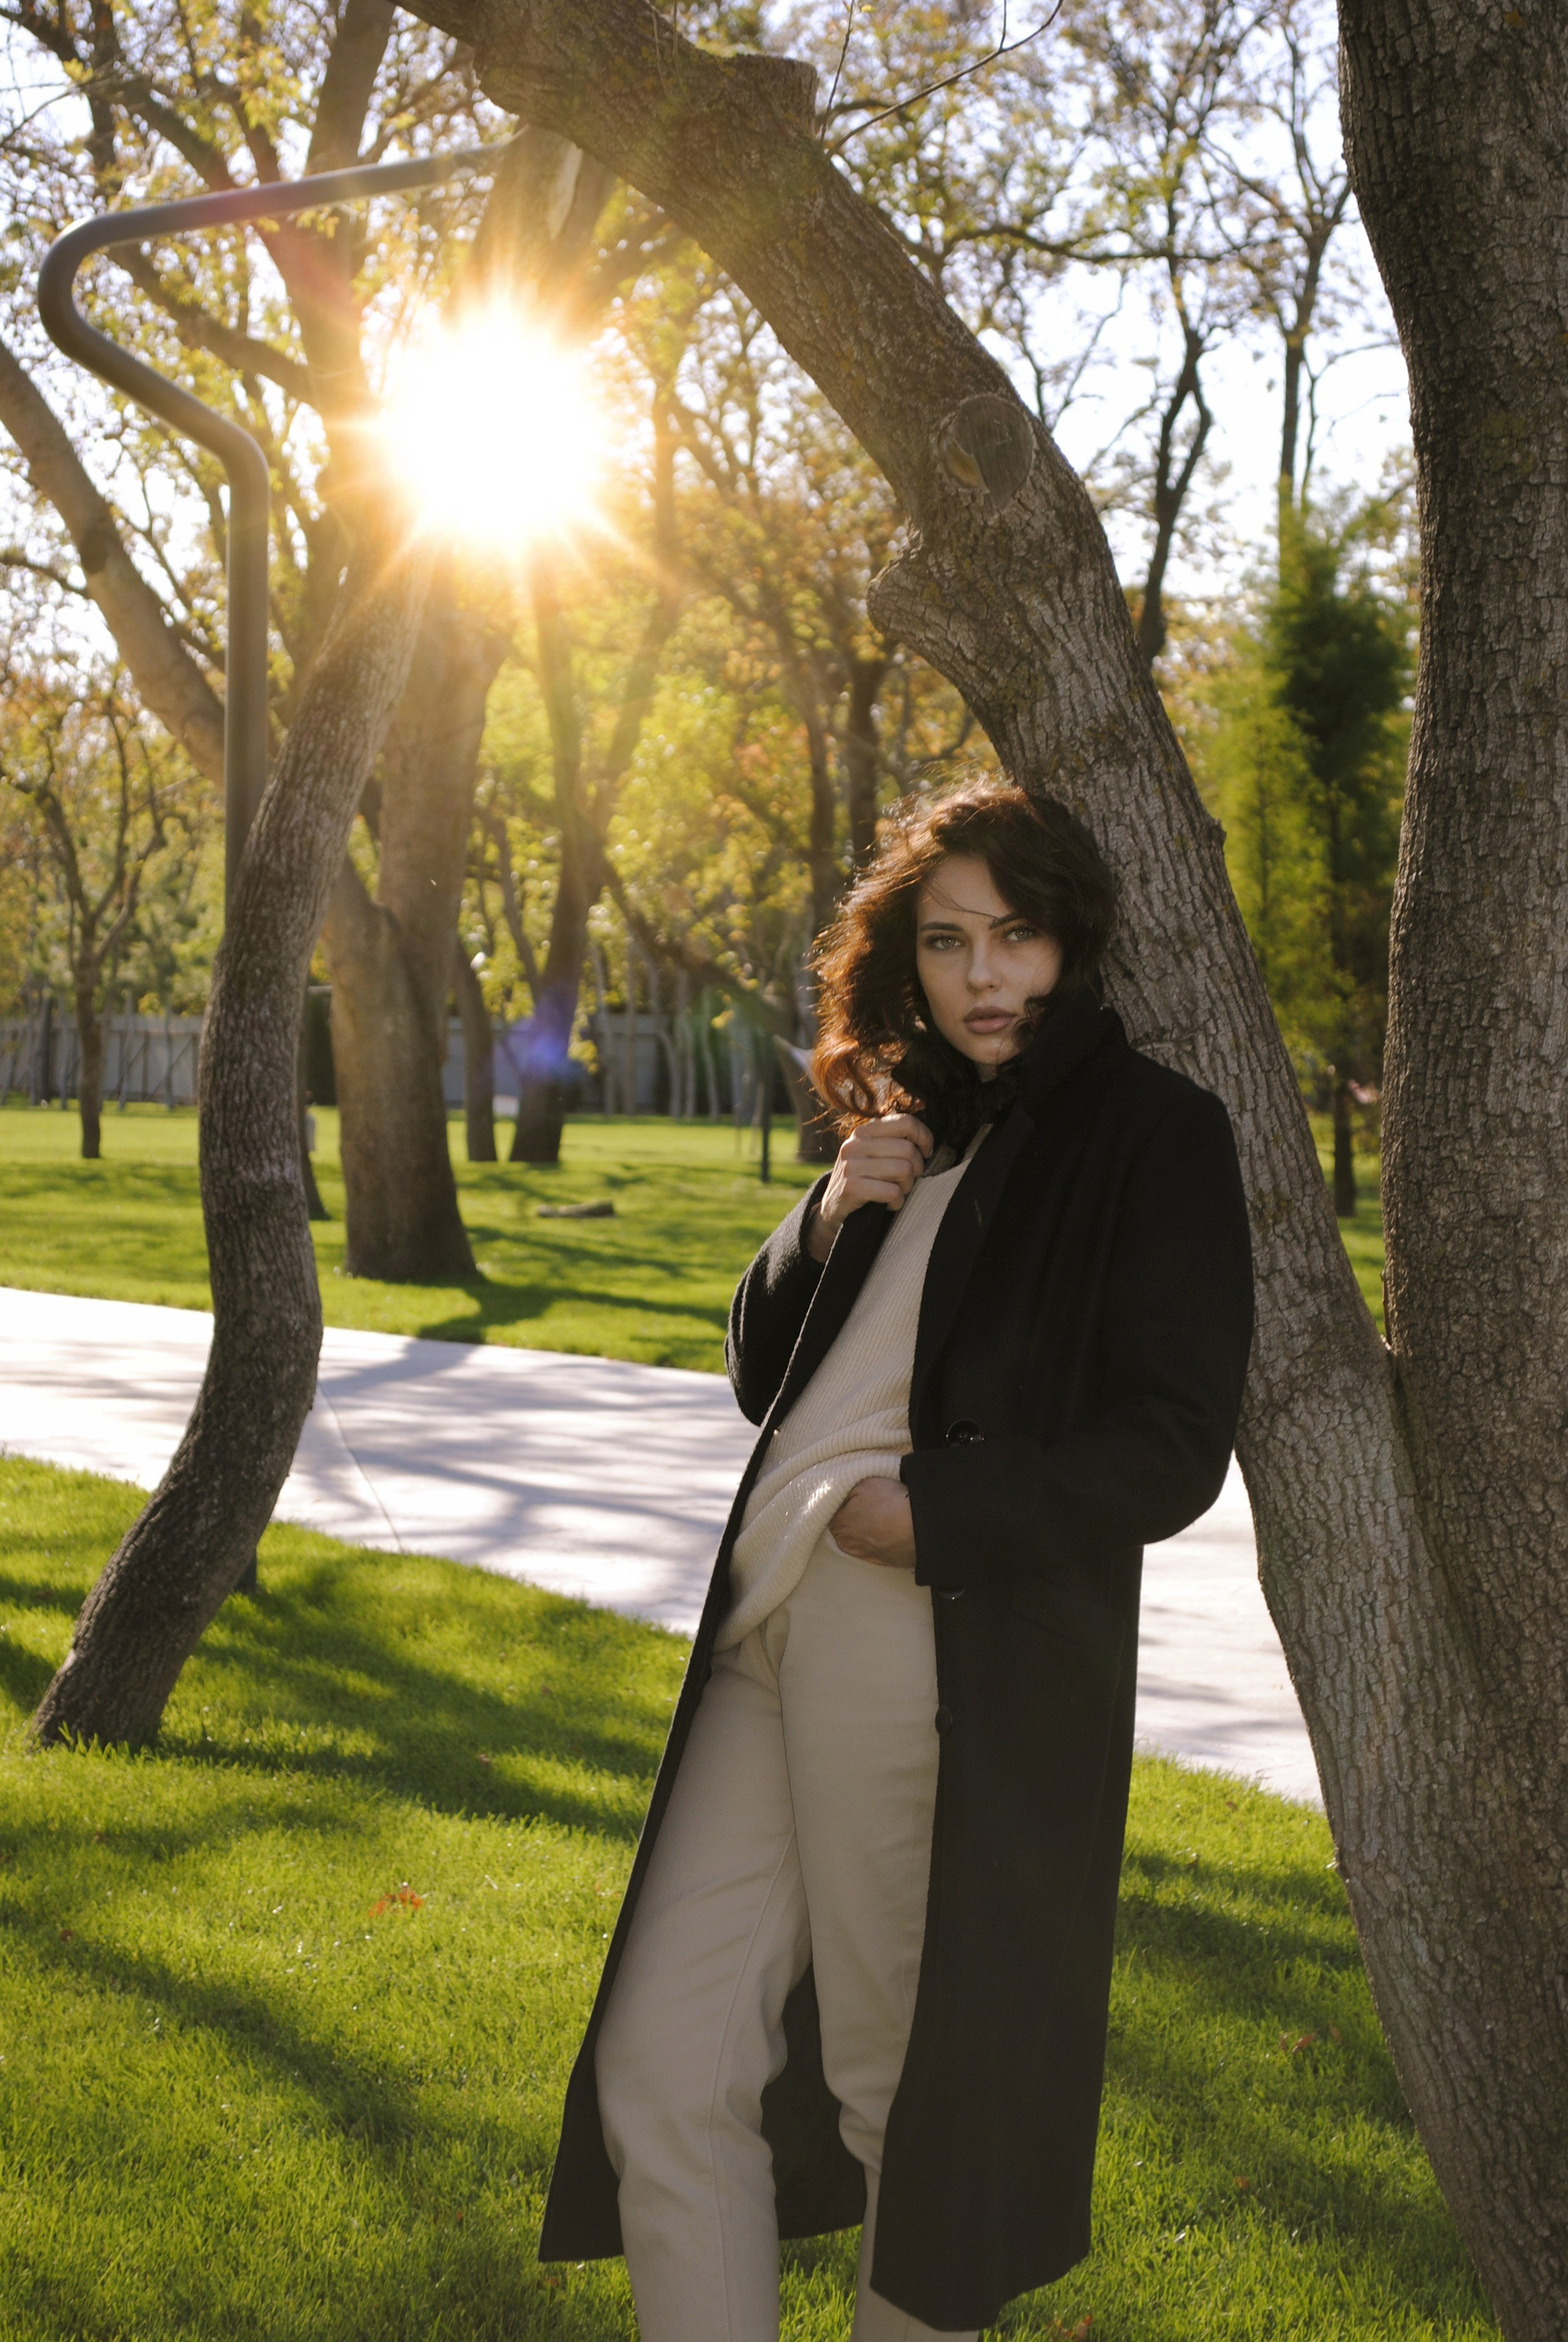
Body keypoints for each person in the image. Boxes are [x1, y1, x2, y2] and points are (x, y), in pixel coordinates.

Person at [538, 777, 1254, 2339]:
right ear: (905, 957)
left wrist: (936, 1513)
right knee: (665, 2065)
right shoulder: (905, 1129)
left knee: (900, 2095)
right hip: (769, 1615)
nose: (985, 975)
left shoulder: (1153, 1135)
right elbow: (765, 1375)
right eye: (947, 941)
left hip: (930, 1632)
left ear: (1074, 939)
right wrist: (818, 1220)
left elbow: (1173, 1442)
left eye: (1017, 935)